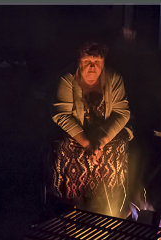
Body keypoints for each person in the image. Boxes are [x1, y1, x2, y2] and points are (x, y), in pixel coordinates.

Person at [49, 41, 133, 217]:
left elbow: (122, 113)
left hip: (105, 134)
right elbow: (61, 115)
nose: (93, 67)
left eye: (97, 62)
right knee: (67, 148)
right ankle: (71, 204)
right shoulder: (68, 79)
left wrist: (101, 140)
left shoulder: (114, 79)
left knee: (117, 146)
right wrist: (87, 143)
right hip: (77, 134)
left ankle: (109, 203)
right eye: (87, 62)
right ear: (79, 62)